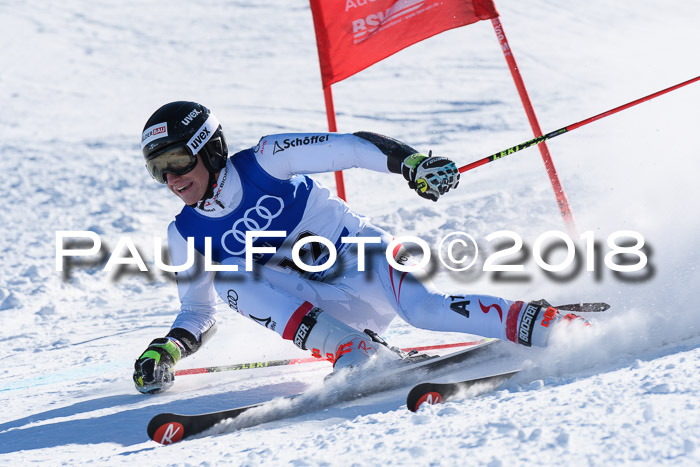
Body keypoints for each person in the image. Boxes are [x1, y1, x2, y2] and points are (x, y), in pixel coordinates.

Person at [133, 101, 588, 394]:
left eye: (177, 161)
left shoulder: (268, 158)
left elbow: (351, 147)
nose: (172, 179)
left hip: (360, 257)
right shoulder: (185, 234)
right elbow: (197, 311)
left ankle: (546, 322)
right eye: (159, 170)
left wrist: (411, 162)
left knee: (424, 311)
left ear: (209, 149)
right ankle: (356, 352)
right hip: (328, 309)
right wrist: (166, 350)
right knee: (232, 277)